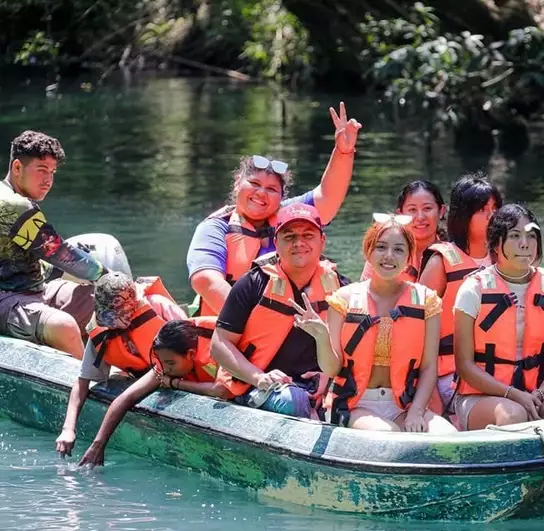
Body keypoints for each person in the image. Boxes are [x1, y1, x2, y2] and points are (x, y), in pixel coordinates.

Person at [187, 102, 361, 316]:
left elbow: (327, 196)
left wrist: (343, 151)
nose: (261, 193)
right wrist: (248, 326)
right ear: (236, 184)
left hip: (293, 323)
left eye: (271, 189)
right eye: (254, 184)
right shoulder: (215, 228)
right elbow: (205, 280)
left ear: (281, 197)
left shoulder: (288, 214)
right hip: (235, 330)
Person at [298, 215, 456, 433]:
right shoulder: (342, 299)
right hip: (354, 403)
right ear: (368, 252)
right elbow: (332, 368)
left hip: (404, 404)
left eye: (399, 249)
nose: (389, 256)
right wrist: (321, 338)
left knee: (447, 435)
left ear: (409, 257)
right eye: (381, 247)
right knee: (387, 434)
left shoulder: (427, 302)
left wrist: (416, 412)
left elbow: (429, 367)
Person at [211, 203, 349, 419]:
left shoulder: (342, 288)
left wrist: (328, 377)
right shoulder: (253, 284)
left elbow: (351, 350)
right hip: (261, 385)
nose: (298, 243)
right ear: (276, 243)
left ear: (322, 241)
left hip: (320, 385)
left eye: (307, 235)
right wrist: (258, 377)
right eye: (289, 236)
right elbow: (219, 344)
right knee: (291, 402)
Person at [453, 204, 544, 430]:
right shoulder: (473, 289)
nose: (524, 244)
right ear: (496, 243)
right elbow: (464, 365)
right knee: (514, 416)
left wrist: (539, 393)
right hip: (480, 396)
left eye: (531, 236)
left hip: (538, 392)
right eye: (515, 236)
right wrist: (513, 395)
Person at [54, 272, 187, 457]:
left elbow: (192, 344)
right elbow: (82, 382)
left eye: (119, 314)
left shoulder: (158, 306)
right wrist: (68, 428)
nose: (114, 322)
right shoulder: (103, 332)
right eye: (108, 316)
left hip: (185, 380)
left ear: (134, 302)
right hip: (150, 381)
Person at [0, 131, 108, 358]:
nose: (48, 180)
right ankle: (87, 388)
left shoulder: (17, 199)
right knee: (64, 326)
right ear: (17, 168)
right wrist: (109, 277)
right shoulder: (13, 205)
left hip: (35, 290)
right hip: (6, 299)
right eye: (41, 170)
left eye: (52, 172)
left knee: (103, 301)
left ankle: (125, 371)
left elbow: (29, 261)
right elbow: (60, 253)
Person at [77, 318, 231, 467]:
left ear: (191, 354)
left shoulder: (219, 347)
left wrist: (175, 383)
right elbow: (126, 397)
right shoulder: (168, 360)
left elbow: (221, 390)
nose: (165, 369)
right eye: (162, 362)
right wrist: (98, 445)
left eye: (170, 363)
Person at [417, 173, 502, 412]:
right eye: (483, 210)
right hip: (450, 376)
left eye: (495, 208)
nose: (492, 215)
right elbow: (414, 329)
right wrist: (429, 391)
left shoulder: (508, 259)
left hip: (501, 371)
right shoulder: (441, 261)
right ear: (463, 215)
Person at [359, 180, 446, 282]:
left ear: (441, 211)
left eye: (427, 208)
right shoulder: (382, 253)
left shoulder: (453, 253)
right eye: (412, 210)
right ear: (400, 214)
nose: (420, 217)